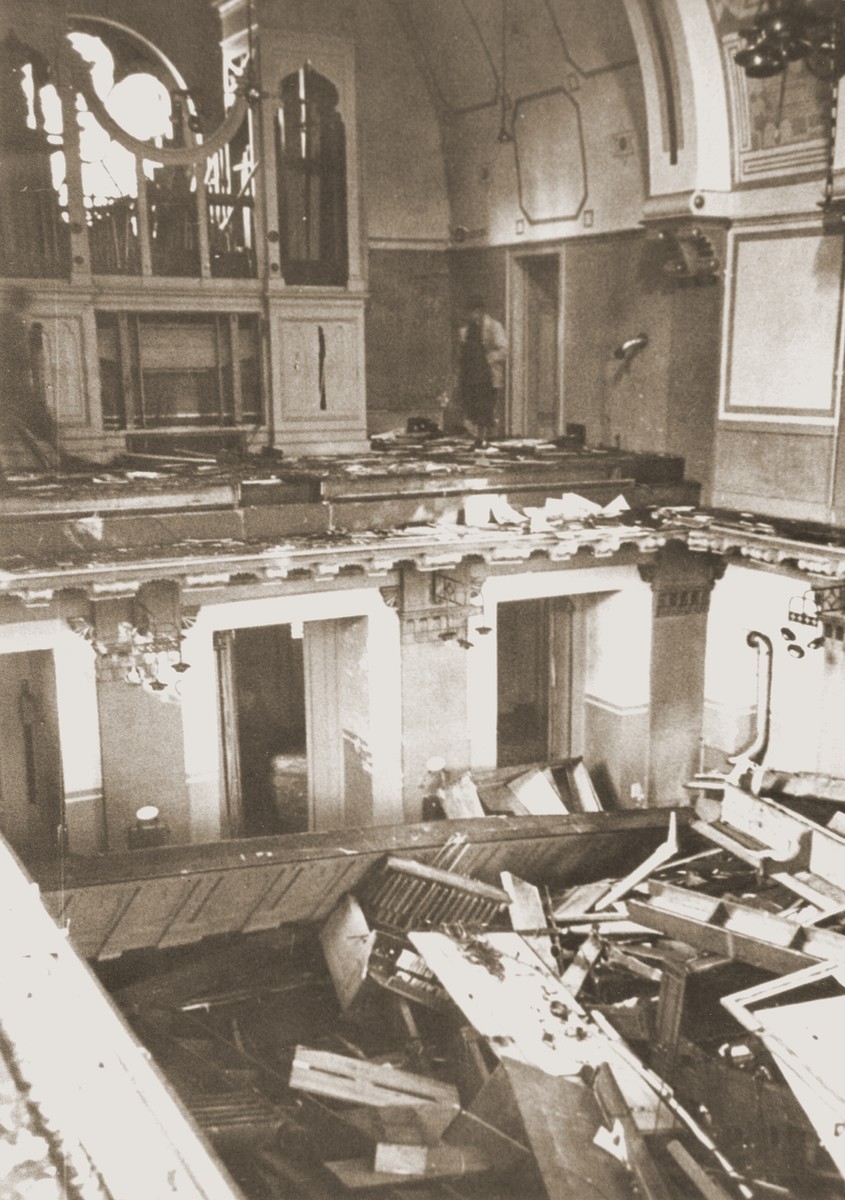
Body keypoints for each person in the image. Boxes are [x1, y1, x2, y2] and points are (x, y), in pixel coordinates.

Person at [457, 295, 507, 445]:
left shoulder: (494, 326)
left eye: (474, 311)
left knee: (486, 407)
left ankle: (486, 438)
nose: (472, 315)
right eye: (470, 312)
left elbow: (504, 350)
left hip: (487, 374)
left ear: (481, 311)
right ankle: (475, 439)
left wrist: (487, 359)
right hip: (470, 374)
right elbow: (461, 353)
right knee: (471, 407)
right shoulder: (464, 330)